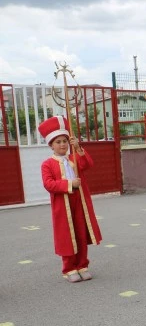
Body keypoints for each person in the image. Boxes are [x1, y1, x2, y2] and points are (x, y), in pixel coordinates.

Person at [39, 116, 102, 283]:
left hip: (79, 202)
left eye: (65, 141)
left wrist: (78, 148)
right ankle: (69, 268)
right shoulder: (47, 164)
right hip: (63, 205)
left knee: (81, 233)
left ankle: (82, 265)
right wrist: (69, 184)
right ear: (51, 145)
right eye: (58, 142)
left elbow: (87, 164)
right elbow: (48, 184)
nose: (62, 144)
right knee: (67, 236)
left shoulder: (73, 158)